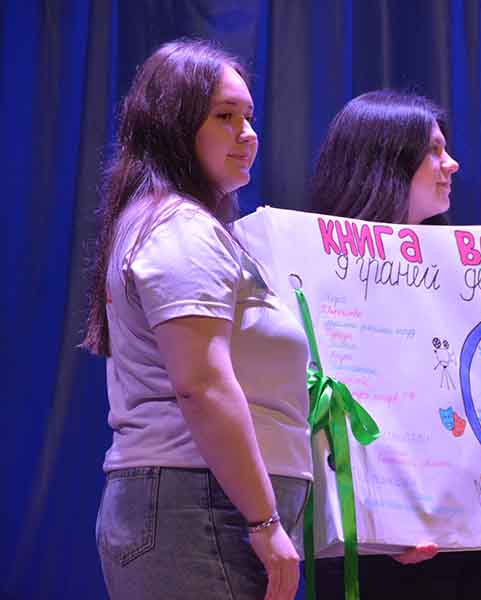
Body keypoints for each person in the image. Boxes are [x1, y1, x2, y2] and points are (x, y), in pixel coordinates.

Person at [82, 39, 311, 600]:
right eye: (225, 117)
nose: (247, 134)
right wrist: (264, 521)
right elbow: (201, 385)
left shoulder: (183, 224)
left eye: (249, 117)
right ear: (173, 125)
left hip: (208, 507)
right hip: (200, 509)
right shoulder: (180, 228)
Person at [308, 89, 481, 599]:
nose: (452, 164)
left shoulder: (472, 280)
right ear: (385, 161)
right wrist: (381, 524)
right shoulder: (318, 281)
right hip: (381, 552)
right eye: (433, 151)